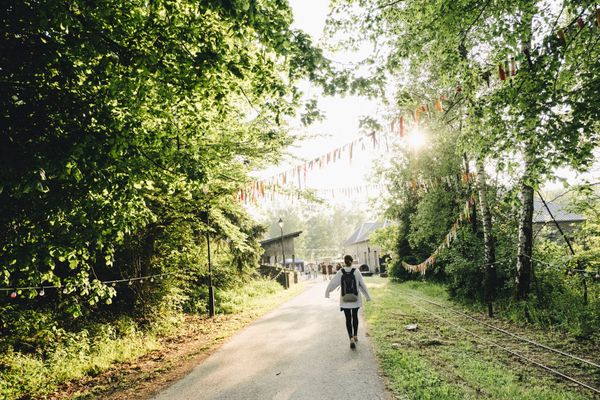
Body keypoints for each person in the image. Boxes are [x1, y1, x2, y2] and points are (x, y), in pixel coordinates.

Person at [325, 255, 371, 349]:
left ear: (344, 262)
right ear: (351, 261)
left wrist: (327, 292)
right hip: (355, 299)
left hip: (344, 299)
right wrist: (367, 296)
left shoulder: (340, 272)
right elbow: (362, 285)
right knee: (355, 316)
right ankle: (355, 335)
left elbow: (333, 283)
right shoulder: (357, 271)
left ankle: (350, 337)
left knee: (348, 319)